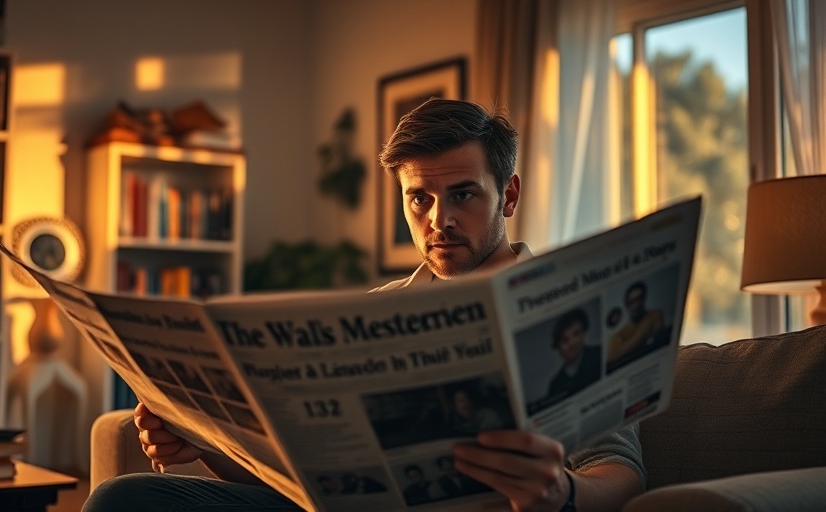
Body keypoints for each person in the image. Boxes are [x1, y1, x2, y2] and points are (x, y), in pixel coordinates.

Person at [83, 98, 646, 512]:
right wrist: (202, 443)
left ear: (510, 195)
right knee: (126, 500)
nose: (439, 220)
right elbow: (300, 478)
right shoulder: (378, 312)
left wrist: (559, 493)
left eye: (463, 195)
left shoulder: (568, 306)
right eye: (419, 198)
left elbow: (620, 475)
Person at [606, 280, 666, 365]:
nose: (636, 305)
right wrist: (644, 332)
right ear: (626, 306)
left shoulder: (655, 315)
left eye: (639, 299)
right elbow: (611, 358)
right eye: (631, 302)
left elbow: (658, 336)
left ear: (644, 299)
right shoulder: (618, 336)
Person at [547, 307, 602, 398]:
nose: (572, 343)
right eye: (565, 340)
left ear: (583, 333)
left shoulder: (600, 353)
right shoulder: (555, 385)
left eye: (576, 334)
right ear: (558, 347)